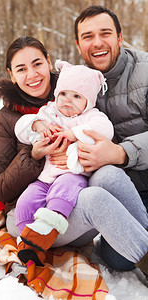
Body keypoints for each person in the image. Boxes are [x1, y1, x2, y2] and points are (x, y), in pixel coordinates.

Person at [0, 36, 148, 278]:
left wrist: (94, 152)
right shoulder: (8, 118)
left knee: (109, 174)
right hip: (30, 212)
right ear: (11, 74)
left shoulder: (79, 90)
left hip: (72, 196)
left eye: (37, 64)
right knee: (93, 198)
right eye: (21, 69)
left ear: (49, 62)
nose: (32, 74)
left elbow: (100, 129)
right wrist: (35, 155)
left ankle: (139, 242)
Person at [13, 60, 113, 265]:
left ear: (89, 101)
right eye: (64, 94)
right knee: (25, 202)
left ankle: (49, 226)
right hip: (45, 178)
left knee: (63, 191)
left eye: (77, 96)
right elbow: (20, 128)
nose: (68, 100)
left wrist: (73, 134)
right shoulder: (49, 113)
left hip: (72, 175)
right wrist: (37, 124)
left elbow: (105, 130)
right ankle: (29, 241)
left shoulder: (90, 116)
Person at [73, 5, 148, 272]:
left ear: (119, 37)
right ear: (79, 46)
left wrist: (120, 153)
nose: (97, 43)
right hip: (121, 193)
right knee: (118, 259)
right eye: (88, 36)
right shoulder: (75, 85)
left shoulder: (145, 71)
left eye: (105, 33)